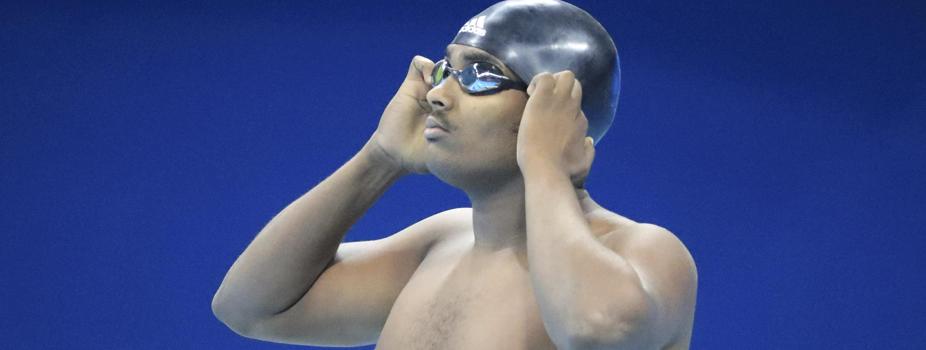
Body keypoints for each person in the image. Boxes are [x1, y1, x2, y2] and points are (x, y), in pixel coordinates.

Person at [211, 1, 697, 349]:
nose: (438, 95)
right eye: (447, 70)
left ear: (556, 113)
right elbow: (250, 307)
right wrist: (380, 159)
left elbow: (597, 330)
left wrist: (546, 165)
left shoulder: (642, 250)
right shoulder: (440, 245)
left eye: (480, 74)